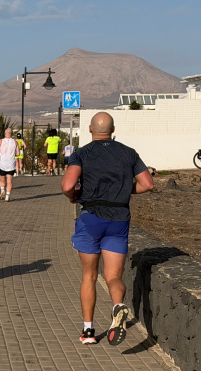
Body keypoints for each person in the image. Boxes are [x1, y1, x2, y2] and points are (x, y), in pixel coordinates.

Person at [61, 112, 154, 346]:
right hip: (119, 219)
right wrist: (121, 191)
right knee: (113, 276)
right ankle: (118, 306)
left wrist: (73, 196)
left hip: (91, 219)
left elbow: (68, 185)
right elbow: (147, 184)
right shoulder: (128, 153)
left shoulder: (81, 154)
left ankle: (88, 331)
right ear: (113, 130)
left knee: (89, 276)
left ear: (90, 129)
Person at [0, 128, 19, 201]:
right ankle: (7, 196)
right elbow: (18, 153)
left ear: (5, 133)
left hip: (3, 164)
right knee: (9, 181)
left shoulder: (0, 141)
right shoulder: (15, 142)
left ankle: (2, 190)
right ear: (11, 134)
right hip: (11, 164)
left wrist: (1, 155)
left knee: (2, 179)